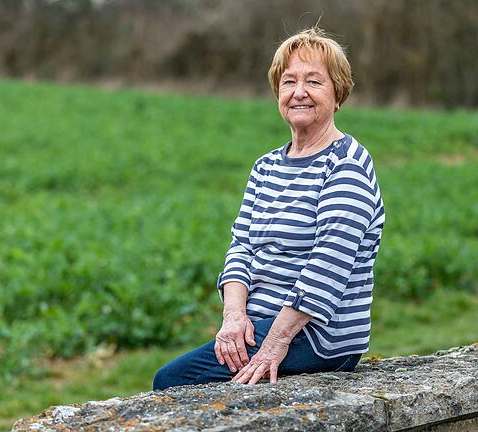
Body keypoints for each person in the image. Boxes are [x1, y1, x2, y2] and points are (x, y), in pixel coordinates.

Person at [153, 27, 385, 390]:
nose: (299, 92)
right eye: (289, 81)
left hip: (315, 335)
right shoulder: (266, 166)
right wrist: (233, 317)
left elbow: (328, 264)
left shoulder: (346, 165)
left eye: (314, 82)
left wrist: (275, 343)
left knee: (172, 381)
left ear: (338, 93)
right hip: (259, 323)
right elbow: (240, 246)